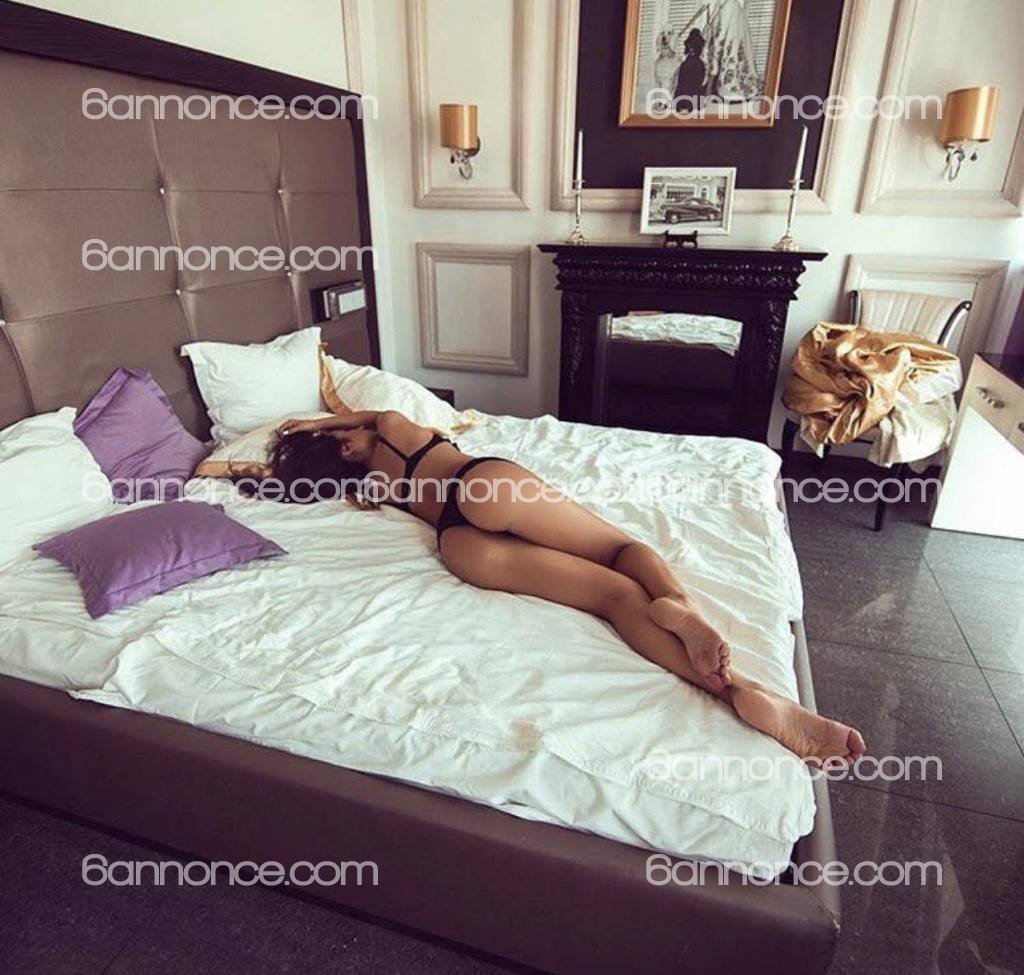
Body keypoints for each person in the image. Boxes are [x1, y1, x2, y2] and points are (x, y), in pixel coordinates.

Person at [265, 409, 866, 767]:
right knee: (620, 553)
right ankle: (682, 608)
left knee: (613, 598)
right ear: (341, 441)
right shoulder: (395, 429)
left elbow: (280, 466)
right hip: (483, 486)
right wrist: (319, 423)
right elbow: (364, 416)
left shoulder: (369, 489)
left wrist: (291, 459)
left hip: (460, 545)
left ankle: (739, 691)